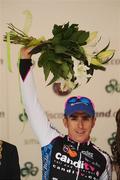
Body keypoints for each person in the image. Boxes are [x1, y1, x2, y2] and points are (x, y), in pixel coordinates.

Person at [19, 47, 112, 180]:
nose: (80, 125)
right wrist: (25, 60)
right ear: (65, 121)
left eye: (85, 118)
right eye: (74, 118)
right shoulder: (51, 141)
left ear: (93, 122)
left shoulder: (103, 159)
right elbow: (30, 103)